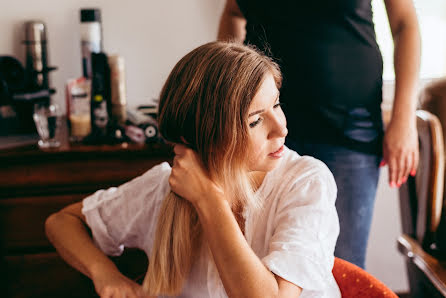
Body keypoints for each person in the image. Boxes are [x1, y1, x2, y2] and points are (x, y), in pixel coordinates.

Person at [45, 41, 341, 298]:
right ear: (203, 138)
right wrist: (104, 274)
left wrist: (209, 199)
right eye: (255, 121)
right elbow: (62, 222)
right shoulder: (163, 188)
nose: (281, 129)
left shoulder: (306, 182)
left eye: (276, 105)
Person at [218, 0, 420, 268]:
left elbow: (405, 23)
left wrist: (404, 119)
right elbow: (233, 12)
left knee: (342, 267)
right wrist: (227, 93)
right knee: (263, 261)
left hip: (348, 131)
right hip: (262, 130)